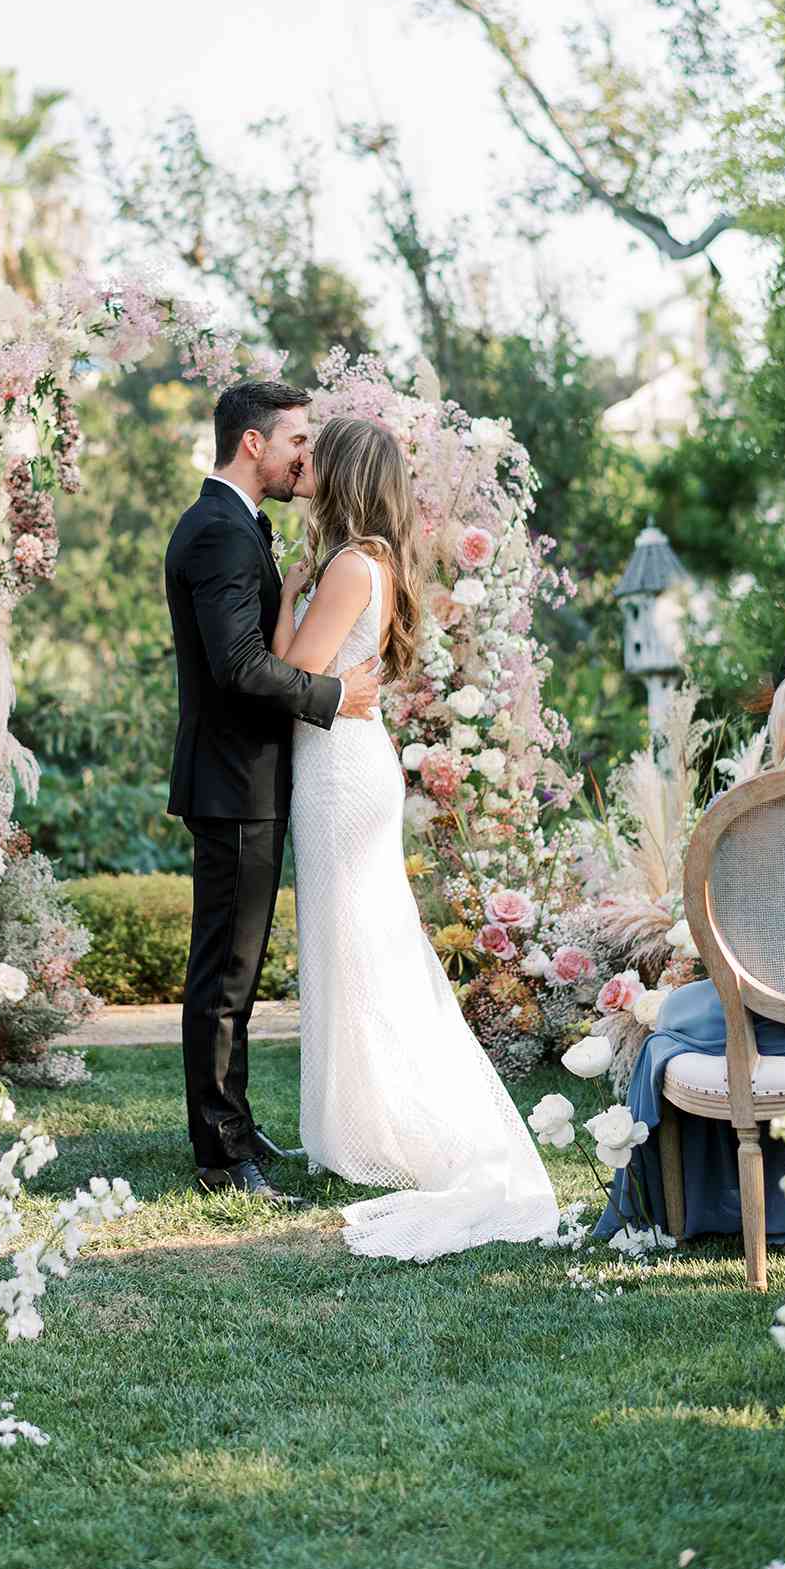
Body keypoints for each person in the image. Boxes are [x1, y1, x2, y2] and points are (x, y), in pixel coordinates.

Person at [273, 414, 559, 1261]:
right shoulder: (378, 562)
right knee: (359, 946)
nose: (306, 464)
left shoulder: (346, 566)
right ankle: (356, 1125)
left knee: (357, 948)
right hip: (352, 762)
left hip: (336, 772)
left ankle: (378, 1129)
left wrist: (288, 599)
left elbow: (296, 673)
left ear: (343, 473)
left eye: (317, 456)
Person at [164, 380, 382, 1200]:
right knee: (224, 974)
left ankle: (235, 1122)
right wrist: (334, 698)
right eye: (297, 439)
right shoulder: (218, 531)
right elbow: (238, 667)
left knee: (238, 970)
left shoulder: (238, 525)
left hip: (248, 778)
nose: (306, 456)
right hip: (234, 782)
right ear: (252, 443)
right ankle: (221, 1156)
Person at [597, 634, 785, 1247]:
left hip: (769, 1023)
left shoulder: (743, 815)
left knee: (669, 1024)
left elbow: (720, 937)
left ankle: (694, 1212)